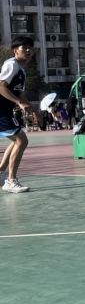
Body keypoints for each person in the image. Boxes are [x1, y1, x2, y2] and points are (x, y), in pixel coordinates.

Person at [0, 36, 35, 193]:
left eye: (30, 47)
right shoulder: (11, 65)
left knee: (17, 141)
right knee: (21, 140)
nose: (28, 50)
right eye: (24, 47)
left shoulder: (21, 70)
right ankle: (10, 181)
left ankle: (1, 172)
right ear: (15, 50)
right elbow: (1, 86)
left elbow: (21, 95)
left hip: (5, 110)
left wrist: (34, 109)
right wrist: (19, 102)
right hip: (1, 110)